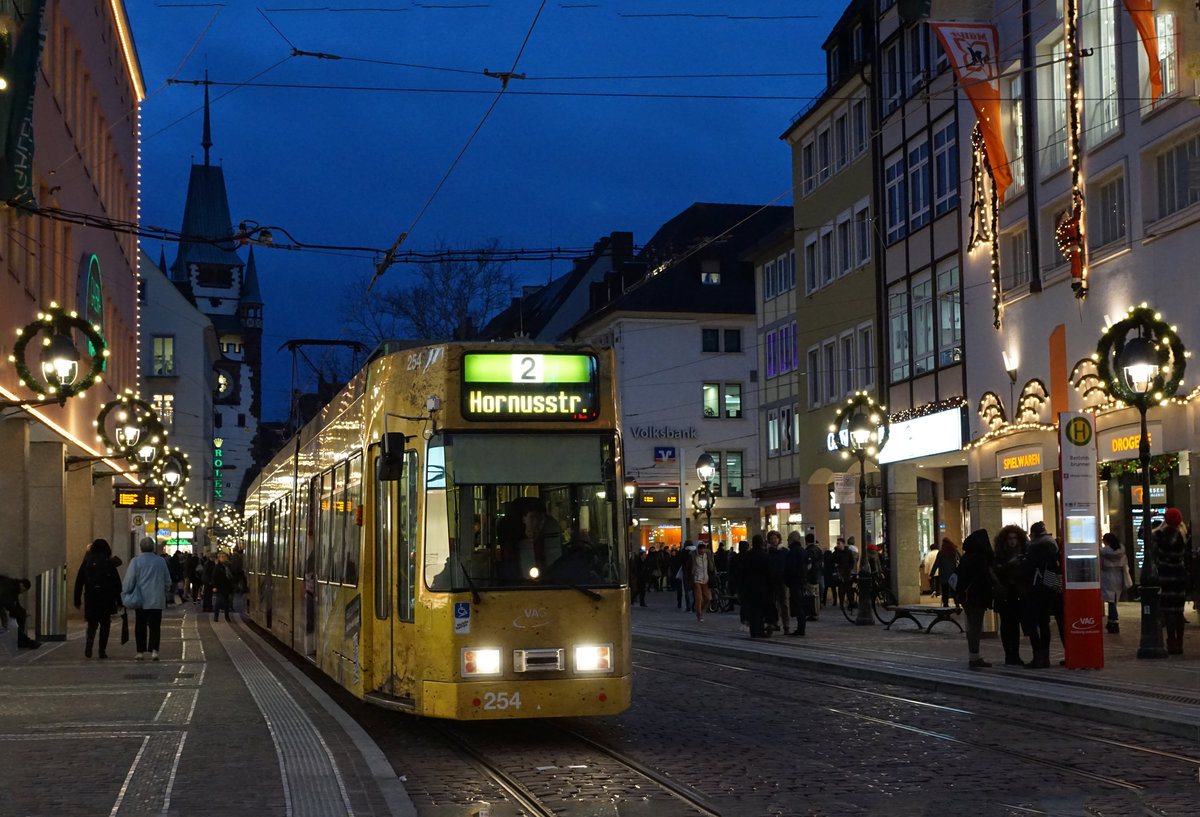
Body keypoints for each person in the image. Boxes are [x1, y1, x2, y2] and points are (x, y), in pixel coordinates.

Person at [122, 537, 173, 660]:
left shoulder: (135, 561)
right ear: (153, 548)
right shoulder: (160, 561)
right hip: (156, 599)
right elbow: (167, 580)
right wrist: (164, 592)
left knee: (140, 625)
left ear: (140, 548)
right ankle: (154, 650)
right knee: (155, 626)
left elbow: (129, 580)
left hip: (141, 600)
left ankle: (140, 651)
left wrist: (125, 592)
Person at [953, 528, 996, 669]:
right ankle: (974, 657)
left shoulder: (966, 557)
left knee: (972, 626)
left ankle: (973, 656)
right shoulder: (981, 557)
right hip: (977, 596)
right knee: (975, 627)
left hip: (966, 596)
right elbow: (985, 576)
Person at [1021, 521, 1061, 669]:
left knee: (1033, 624)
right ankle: (1045, 657)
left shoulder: (1034, 549)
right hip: (1048, 590)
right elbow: (1054, 573)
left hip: (1035, 591)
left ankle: (1038, 656)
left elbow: (1028, 570)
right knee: (1044, 625)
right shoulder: (1052, 549)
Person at [73, 538, 122, 659]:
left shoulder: (87, 562)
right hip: (106, 598)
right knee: (105, 624)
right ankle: (102, 650)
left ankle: (89, 646)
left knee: (92, 624)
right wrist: (119, 600)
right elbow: (117, 583)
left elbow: (79, 581)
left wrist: (77, 599)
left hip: (91, 597)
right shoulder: (108, 562)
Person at [1154, 508, 1190, 655]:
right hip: (1180, 575)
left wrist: (1151, 520)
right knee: (1179, 611)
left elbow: (1144, 535)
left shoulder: (1161, 534)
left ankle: (1171, 643)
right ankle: (1180, 644)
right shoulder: (1183, 534)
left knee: (1168, 611)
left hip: (1166, 575)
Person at [993, 525, 1028, 665]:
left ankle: (1015, 654)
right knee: (1007, 625)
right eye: (1010, 538)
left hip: (1018, 593)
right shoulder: (1000, 555)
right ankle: (1010, 654)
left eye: (1015, 538)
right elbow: (996, 571)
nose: (1012, 541)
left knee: (1015, 625)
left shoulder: (1023, 553)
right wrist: (1009, 565)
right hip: (1005, 593)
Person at [1099, 532, 1131, 634]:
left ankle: (1114, 621)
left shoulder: (1103, 552)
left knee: (1110, 600)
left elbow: (1101, 565)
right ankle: (1111, 621)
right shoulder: (1121, 551)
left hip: (1107, 576)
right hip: (1119, 576)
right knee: (1114, 599)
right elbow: (1125, 564)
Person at [743, 534, 773, 638]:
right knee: (760, 609)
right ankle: (759, 630)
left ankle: (753, 630)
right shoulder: (764, 555)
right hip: (762, 586)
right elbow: (768, 572)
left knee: (752, 609)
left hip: (750, 585)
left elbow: (743, 572)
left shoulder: (748, 555)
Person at [0, 575, 38, 649]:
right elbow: (8, 602)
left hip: (2, 606)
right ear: (21, 584)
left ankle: (24, 641)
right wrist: (14, 612)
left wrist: (20, 611)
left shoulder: (12, 586)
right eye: (23, 590)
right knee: (11, 624)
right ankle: (26, 642)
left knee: (12, 624)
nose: (22, 592)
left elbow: (14, 603)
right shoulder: (11, 587)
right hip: (2, 606)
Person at [784, 532, 808, 637]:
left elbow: (790, 568)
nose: (787, 541)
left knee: (798, 605)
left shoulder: (792, 552)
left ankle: (800, 629)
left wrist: (788, 580)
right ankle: (801, 627)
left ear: (792, 540)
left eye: (789, 538)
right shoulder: (803, 551)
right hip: (801, 580)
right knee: (800, 605)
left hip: (795, 581)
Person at [688, 540, 718, 622]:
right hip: (697, 579)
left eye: (703, 548)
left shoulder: (707, 555)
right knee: (698, 598)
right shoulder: (693, 556)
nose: (702, 550)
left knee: (708, 598)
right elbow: (689, 567)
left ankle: (699, 610)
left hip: (706, 579)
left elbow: (711, 565)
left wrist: (713, 571)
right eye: (700, 548)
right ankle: (699, 614)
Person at [766, 530, 789, 634]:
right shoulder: (768, 552)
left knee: (784, 604)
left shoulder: (784, 551)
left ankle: (786, 625)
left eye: (775, 538)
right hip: (771, 581)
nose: (773, 540)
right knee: (773, 603)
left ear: (779, 539)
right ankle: (775, 623)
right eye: (771, 539)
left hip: (782, 580)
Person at [931, 538, 960, 607]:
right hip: (953, 574)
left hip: (943, 574)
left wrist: (932, 574)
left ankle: (945, 605)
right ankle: (957, 604)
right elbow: (960, 559)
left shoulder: (941, 552)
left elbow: (936, 563)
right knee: (954, 590)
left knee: (945, 591)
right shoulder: (954, 551)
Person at [211, 551, 235, 622]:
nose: (223, 558)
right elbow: (214, 577)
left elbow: (232, 576)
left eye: (224, 557)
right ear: (219, 558)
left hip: (227, 587)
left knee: (227, 602)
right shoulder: (218, 566)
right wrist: (214, 586)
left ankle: (227, 616)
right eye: (222, 557)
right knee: (218, 602)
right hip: (220, 587)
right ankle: (216, 616)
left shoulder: (228, 566)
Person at [803, 533, 823, 620]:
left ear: (806, 541)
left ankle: (812, 613)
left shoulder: (808, 551)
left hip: (811, 576)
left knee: (810, 595)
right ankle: (816, 612)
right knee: (816, 595)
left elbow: (809, 565)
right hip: (817, 575)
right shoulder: (818, 550)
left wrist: (806, 573)